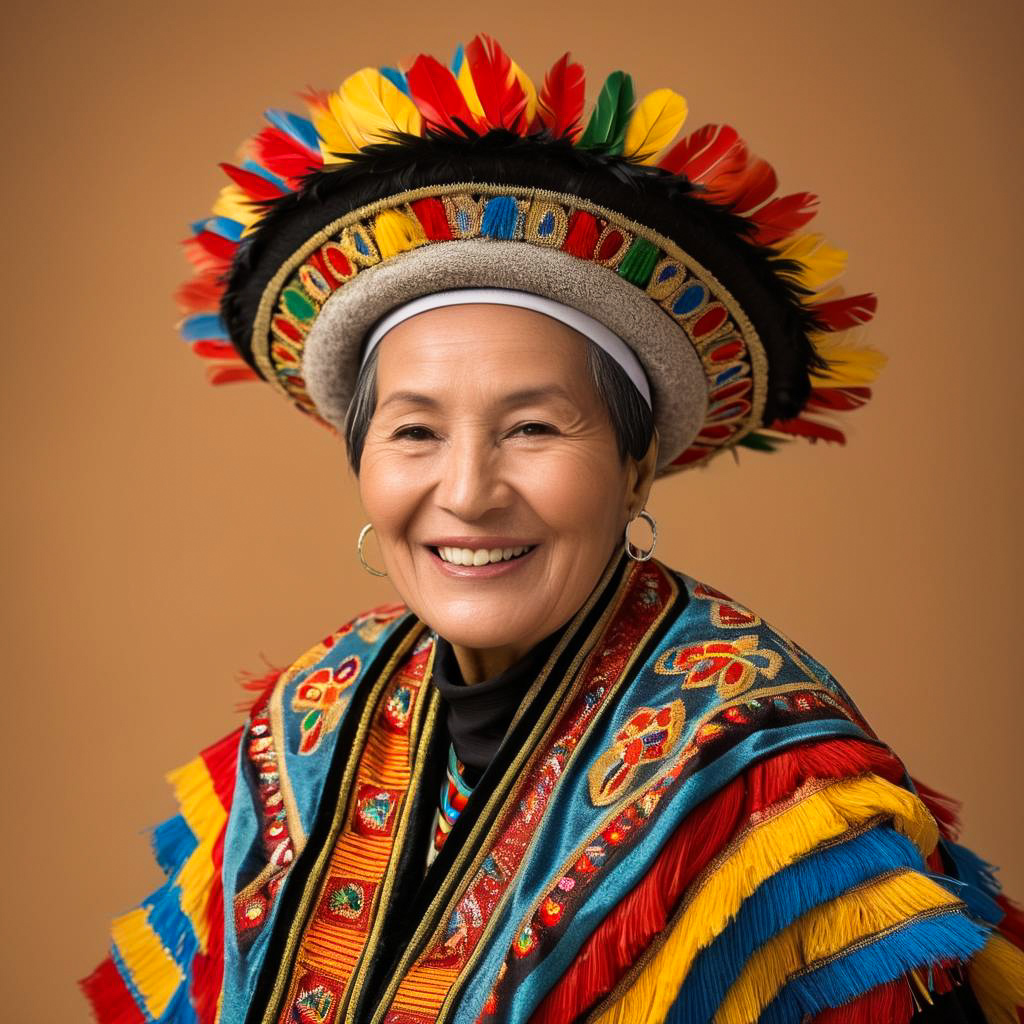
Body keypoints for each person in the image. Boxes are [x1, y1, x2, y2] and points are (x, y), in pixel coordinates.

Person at [81, 35, 1024, 1024]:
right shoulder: (305, 721)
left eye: (532, 427)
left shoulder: (772, 793)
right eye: (414, 431)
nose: (468, 491)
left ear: (634, 466)